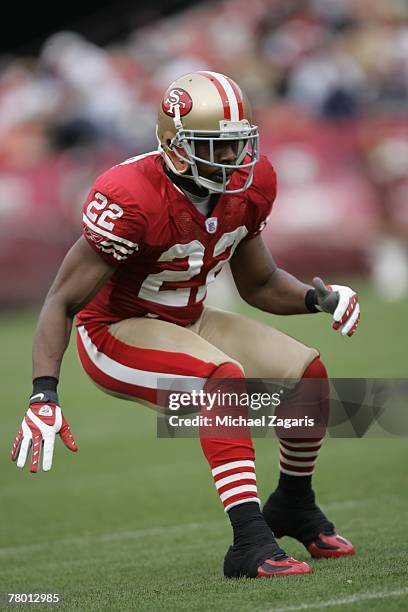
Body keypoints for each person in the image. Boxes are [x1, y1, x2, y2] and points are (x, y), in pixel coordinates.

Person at [11, 71, 360, 579]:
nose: (232, 160)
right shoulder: (130, 196)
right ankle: (249, 541)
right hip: (115, 330)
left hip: (188, 317)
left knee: (307, 374)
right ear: (174, 147)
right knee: (222, 379)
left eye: (238, 145)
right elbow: (62, 300)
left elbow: (259, 282)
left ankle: (294, 504)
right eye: (213, 147)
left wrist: (317, 298)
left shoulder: (252, 183)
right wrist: (44, 393)